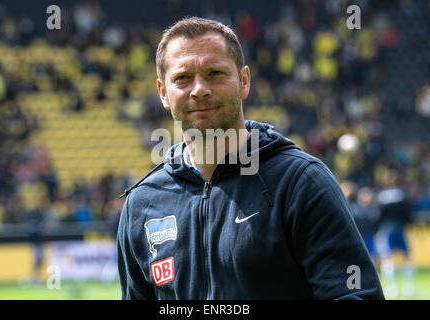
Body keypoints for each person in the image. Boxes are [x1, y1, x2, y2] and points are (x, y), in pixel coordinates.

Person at [116, 17, 384, 300]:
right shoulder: (142, 203)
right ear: (163, 93)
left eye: (215, 73)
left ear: (244, 81)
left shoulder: (300, 183)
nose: (199, 89)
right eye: (183, 78)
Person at [376, 170, 415, 298]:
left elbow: (379, 216)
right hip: (400, 227)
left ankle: (392, 288)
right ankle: (409, 287)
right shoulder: (402, 195)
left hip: (386, 229)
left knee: (387, 258)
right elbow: (409, 215)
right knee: (406, 257)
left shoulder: (382, 196)